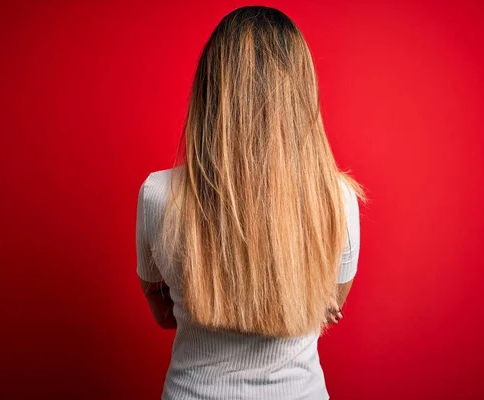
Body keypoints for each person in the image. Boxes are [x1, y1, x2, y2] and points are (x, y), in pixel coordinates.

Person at [136, 6, 365, 399]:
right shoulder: (337, 199)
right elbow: (327, 308)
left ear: (210, 89)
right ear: (301, 95)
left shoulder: (158, 195)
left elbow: (164, 314)